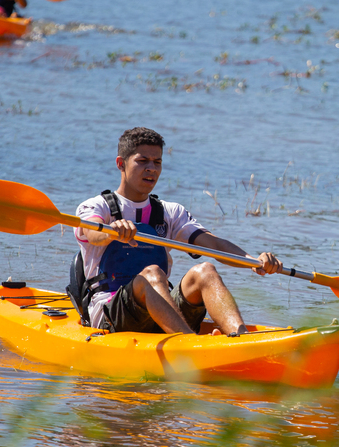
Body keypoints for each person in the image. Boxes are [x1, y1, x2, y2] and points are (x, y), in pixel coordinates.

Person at [72, 127, 281, 336]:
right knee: (152, 273)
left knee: (205, 271)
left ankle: (240, 337)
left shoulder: (170, 212)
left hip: (161, 309)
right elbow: (93, 234)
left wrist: (253, 261)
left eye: (157, 162)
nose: (151, 169)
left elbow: (215, 245)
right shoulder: (95, 207)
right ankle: (188, 343)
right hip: (110, 315)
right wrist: (111, 232)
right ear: (121, 164)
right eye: (142, 161)